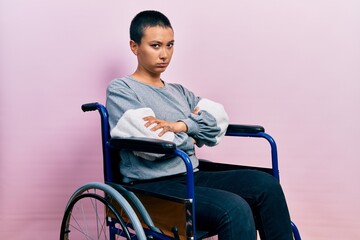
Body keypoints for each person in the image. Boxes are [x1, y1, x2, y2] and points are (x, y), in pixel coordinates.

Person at [106, 10, 294, 240]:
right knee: (234, 208)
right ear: (134, 47)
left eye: (170, 45)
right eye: (155, 46)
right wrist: (194, 133)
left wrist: (181, 126)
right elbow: (153, 144)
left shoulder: (179, 92)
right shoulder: (122, 89)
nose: (164, 54)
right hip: (151, 185)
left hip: (192, 173)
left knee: (267, 186)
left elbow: (218, 118)